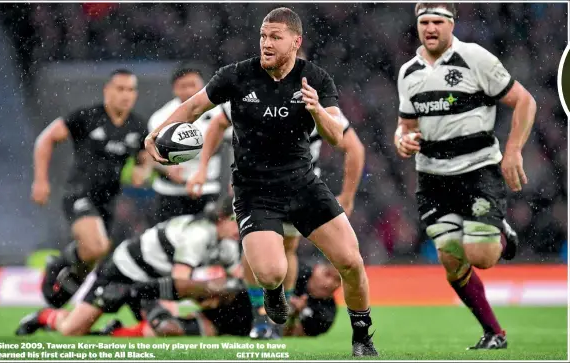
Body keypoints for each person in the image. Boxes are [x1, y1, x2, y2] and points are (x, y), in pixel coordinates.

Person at [144, 7, 377, 357]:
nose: (266, 43)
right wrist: (156, 134)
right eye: (263, 36)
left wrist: (315, 110)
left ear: (295, 42)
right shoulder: (237, 76)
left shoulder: (316, 79)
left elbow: (337, 140)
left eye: (275, 37)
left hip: (303, 186)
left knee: (351, 261)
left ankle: (362, 337)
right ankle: (269, 300)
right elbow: (193, 108)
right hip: (254, 192)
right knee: (270, 272)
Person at [186, 48, 365, 340]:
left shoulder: (314, 96)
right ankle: (260, 317)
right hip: (255, 188)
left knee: (289, 250)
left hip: (298, 188)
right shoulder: (250, 90)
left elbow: (353, 147)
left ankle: (276, 320)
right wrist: (202, 168)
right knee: (253, 252)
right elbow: (217, 123)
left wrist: (348, 196)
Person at [394, 3, 536, 350]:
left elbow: (525, 101)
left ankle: (497, 227)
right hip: (432, 179)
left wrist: (514, 150)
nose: (430, 28)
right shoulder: (408, 72)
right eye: (424, 22)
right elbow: (405, 126)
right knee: (451, 259)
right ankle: (494, 333)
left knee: (482, 257)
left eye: (437, 22)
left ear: (451, 24)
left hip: (477, 171)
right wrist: (403, 141)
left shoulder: (475, 58)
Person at [15, 196, 241, 337]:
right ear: (221, 218)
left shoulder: (227, 246)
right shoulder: (199, 234)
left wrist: (222, 293)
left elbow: (237, 281)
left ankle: (114, 332)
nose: (239, 228)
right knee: (72, 331)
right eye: (236, 221)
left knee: (167, 328)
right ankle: (45, 317)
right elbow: (180, 283)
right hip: (119, 274)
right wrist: (208, 292)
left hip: (149, 285)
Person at [32, 69, 149, 309]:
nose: (125, 95)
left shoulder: (138, 126)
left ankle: (56, 303)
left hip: (109, 202)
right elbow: (46, 139)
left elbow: (144, 158)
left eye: (130, 90)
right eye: (120, 89)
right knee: (98, 247)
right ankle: (58, 265)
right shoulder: (87, 117)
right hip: (79, 193)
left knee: (91, 259)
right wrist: (41, 180)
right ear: (107, 90)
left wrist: (142, 170)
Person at [99, 260, 341, 339]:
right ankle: (134, 290)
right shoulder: (295, 270)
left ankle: (114, 332)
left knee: (167, 329)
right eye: (328, 274)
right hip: (234, 297)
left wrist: (293, 314)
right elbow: (257, 268)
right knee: (213, 287)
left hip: (233, 326)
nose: (329, 283)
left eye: (336, 282)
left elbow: (291, 333)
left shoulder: (326, 313)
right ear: (318, 267)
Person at [146, 67, 232, 224]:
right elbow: (148, 156)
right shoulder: (160, 118)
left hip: (207, 188)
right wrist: (166, 169)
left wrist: (234, 180)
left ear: (204, 86)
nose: (188, 90)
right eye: (183, 86)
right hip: (170, 191)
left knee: (207, 238)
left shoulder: (220, 113)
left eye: (193, 85)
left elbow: (235, 145)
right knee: (169, 242)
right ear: (174, 89)